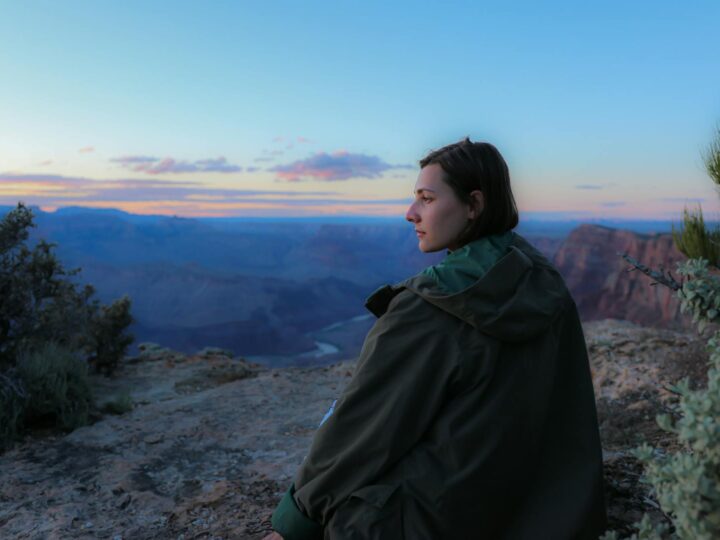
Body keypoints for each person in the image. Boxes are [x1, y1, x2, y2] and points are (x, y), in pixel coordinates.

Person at [263, 138, 607, 539]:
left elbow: (363, 432)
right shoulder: (543, 281)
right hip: (546, 512)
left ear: (474, 205)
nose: (410, 213)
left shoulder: (427, 308)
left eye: (426, 199)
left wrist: (294, 523)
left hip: (436, 521)